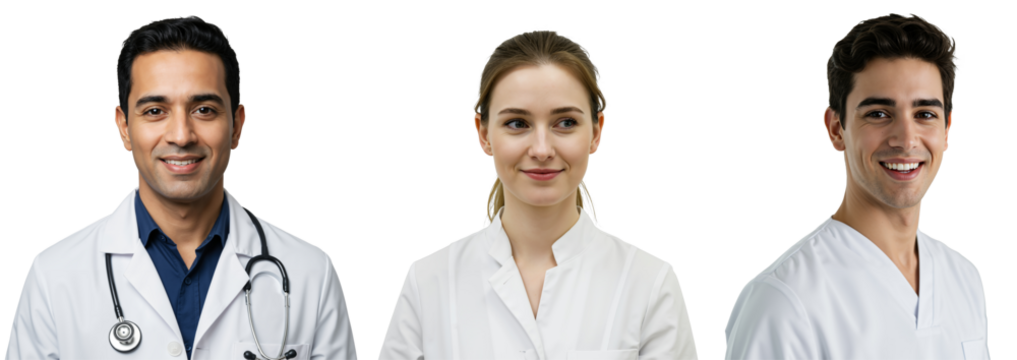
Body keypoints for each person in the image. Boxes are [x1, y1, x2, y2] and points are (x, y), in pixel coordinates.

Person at [4, 15, 358, 359]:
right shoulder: (54, 276)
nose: (181, 136)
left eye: (203, 109)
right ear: (124, 127)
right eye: (155, 111)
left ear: (237, 125)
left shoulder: (311, 273)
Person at [378, 28, 698, 360]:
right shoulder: (428, 281)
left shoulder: (650, 282)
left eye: (565, 122)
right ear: (483, 133)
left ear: (597, 131)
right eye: (518, 123)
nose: (542, 149)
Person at [722, 12, 986, 360]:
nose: (906, 140)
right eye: (878, 113)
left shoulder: (964, 277)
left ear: (947, 129)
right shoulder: (785, 300)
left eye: (925, 114)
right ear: (836, 129)